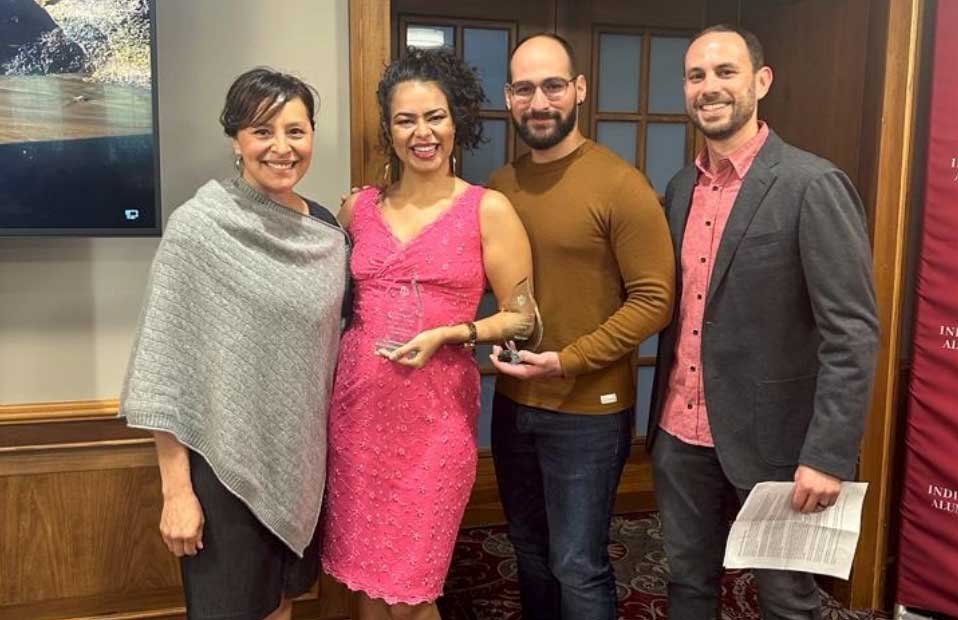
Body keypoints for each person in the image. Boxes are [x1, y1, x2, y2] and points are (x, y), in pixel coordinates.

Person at [646, 25, 880, 620]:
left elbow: (851, 333)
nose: (709, 87)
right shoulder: (680, 187)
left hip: (779, 448)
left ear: (762, 81)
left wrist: (828, 454)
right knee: (687, 584)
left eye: (726, 72)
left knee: (786, 602)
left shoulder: (812, 184)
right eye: (696, 76)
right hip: (681, 434)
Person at [121, 68, 349, 620]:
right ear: (236, 139)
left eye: (296, 131)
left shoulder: (326, 231)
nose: (281, 147)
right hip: (223, 470)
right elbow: (163, 367)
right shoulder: (199, 227)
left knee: (281, 607)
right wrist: (177, 492)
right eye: (262, 131)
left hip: (300, 467)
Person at [321, 48, 534, 620]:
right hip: (358, 417)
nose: (422, 133)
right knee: (366, 588)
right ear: (389, 130)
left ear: (456, 120)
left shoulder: (488, 209)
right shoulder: (358, 209)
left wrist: (453, 332)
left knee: (412, 597)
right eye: (405, 120)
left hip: (436, 422)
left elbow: (523, 318)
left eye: (435, 117)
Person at [487, 33, 676, 620]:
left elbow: (655, 300)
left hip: (589, 412)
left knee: (577, 563)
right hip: (513, 403)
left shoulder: (620, 184)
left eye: (552, 86)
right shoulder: (500, 187)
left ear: (579, 90)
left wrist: (568, 360)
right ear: (508, 97)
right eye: (525, 89)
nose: (539, 102)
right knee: (528, 549)